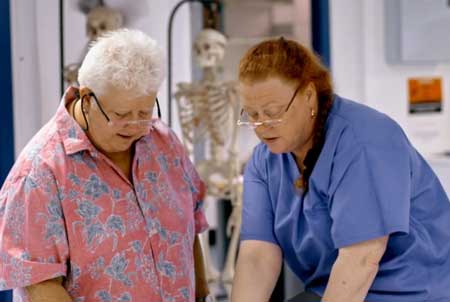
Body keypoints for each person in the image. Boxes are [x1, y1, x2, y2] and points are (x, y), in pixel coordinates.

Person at [230, 37, 450, 302]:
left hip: (412, 292)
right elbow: (258, 256)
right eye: (252, 115)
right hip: (333, 288)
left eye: (272, 111)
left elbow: (361, 260)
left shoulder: (365, 141)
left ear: (309, 96)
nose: (262, 126)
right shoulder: (264, 162)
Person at [0, 29, 210, 302]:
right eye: (121, 115)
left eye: (144, 113)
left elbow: (188, 232)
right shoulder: (39, 173)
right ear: (86, 99)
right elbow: (40, 285)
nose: (134, 126)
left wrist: (204, 296)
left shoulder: (164, 143)